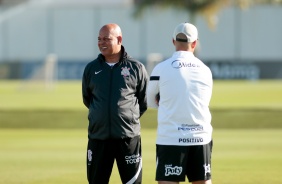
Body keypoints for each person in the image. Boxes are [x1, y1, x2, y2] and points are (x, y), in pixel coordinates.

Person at [146, 22, 213, 184]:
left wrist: (164, 103)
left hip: (170, 138)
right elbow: (205, 101)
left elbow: (149, 101)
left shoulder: (160, 68)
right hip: (200, 138)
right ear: (195, 43)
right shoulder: (205, 70)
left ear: (173, 41)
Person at [82, 23, 148, 184]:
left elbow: (143, 101)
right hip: (98, 138)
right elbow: (87, 99)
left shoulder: (136, 67)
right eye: (99, 39)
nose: (101, 42)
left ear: (119, 39)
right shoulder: (91, 68)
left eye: (106, 39)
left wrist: (126, 118)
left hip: (128, 138)